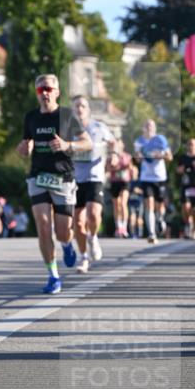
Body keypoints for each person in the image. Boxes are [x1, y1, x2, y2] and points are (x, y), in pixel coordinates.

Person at [17, 74, 91, 295]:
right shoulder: (31, 117)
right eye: (41, 90)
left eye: (49, 89)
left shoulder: (67, 115)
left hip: (63, 178)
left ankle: (67, 245)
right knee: (42, 225)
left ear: (57, 92)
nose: (45, 93)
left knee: (62, 233)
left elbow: (87, 143)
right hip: (38, 177)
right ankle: (53, 276)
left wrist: (67, 144)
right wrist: (23, 148)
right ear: (37, 93)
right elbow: (25, 142)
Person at [71, 96, 116, 273]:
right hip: (75, 179)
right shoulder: (68, 129)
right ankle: (83, 257)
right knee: (78, 222)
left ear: (88, 110)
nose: (80, 109)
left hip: (95, 176)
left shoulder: (98, 127)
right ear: (73, 110)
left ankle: (93, 237)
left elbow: (113, 142)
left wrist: (114, 155)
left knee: (93, 214)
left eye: (83, 106)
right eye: (76, 106)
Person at [134, 119, 173, 245]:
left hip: (160, 177)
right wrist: (141, 156)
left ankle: (160, 219)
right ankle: (152, 233)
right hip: (146, 177)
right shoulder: (139, 142)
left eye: (151, 125)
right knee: (149, 203)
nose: (149, 127)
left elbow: (169, 157)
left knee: (160, 205)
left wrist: (159, 155)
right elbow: (138, 158)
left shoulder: (161, 140)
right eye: (147, 125)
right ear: (143, 128)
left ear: (155, 128)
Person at [106, 138, 134, 238]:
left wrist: (128, 168)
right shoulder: (111, 157)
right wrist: (113, 166)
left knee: (123, 203)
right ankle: (118, 227)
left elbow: (131, 169)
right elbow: (107, 169)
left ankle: (124, 227)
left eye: (120, 144)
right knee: (116, 205)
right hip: (114, 182)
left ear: (123, 145)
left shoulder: (127, 156)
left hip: (124, 182)